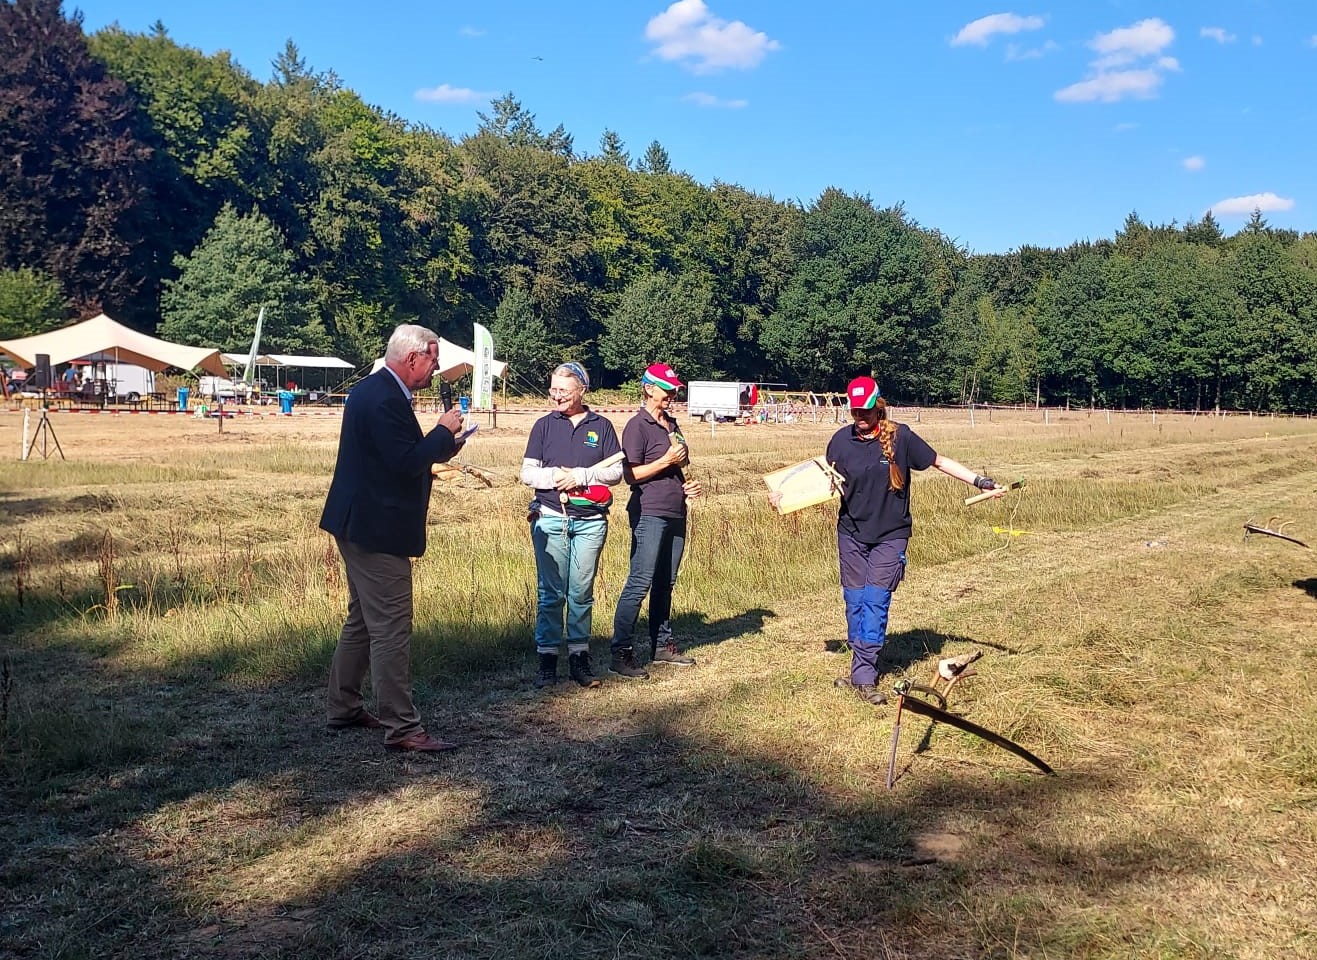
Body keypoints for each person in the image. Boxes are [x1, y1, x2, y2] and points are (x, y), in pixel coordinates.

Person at [320, 323, 468, 753]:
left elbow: (398, 456)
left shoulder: (375, 391)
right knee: (390, 627)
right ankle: (403, 728)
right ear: (412, 358)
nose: (436, 368)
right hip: (375, 529)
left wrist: (444, 446)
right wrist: (442, 431)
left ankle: (343, 706)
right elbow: (404, 463)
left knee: (363, 620)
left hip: (359, 523)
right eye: (433, 360)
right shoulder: (384, 397)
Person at [823, 376, 1003, 704]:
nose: (860, 417)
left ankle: (863, 676)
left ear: (879, 408)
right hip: (850, 535)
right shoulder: (839, 441)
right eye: (854, 411)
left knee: (875, 603)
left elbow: (939, 461)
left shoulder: (901, 437)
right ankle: (860, 665)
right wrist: (781, 496)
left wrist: (980, 481)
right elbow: (821, 482)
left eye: (866, 411)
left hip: (890, 536)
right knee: (855, 603)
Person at [520, 362, 623, 689]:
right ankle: (547, 661)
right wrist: (555, 477)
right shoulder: (543, 426)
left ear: (582, 389)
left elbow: (616, 472)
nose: (557, 396)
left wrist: (580, 475)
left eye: (563, 390)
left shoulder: (602, 426)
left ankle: (579, 658)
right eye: (553, 390)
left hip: (591, 522)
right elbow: (527, 473)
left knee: (581, 592)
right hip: (550, 519)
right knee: (551, 594)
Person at [609, 363, 703, 679]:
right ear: (649, 388)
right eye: (667, 388)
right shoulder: (637, 426)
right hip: (649, 511)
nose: (673, 394)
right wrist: (666, 461)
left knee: (667, 582)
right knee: (640, 581)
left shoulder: (672, 423)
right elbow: (630, 475)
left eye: (675, 388)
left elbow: (681, 464)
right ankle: (621, 653)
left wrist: (687, 483)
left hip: (677, 509)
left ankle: (662, 645)